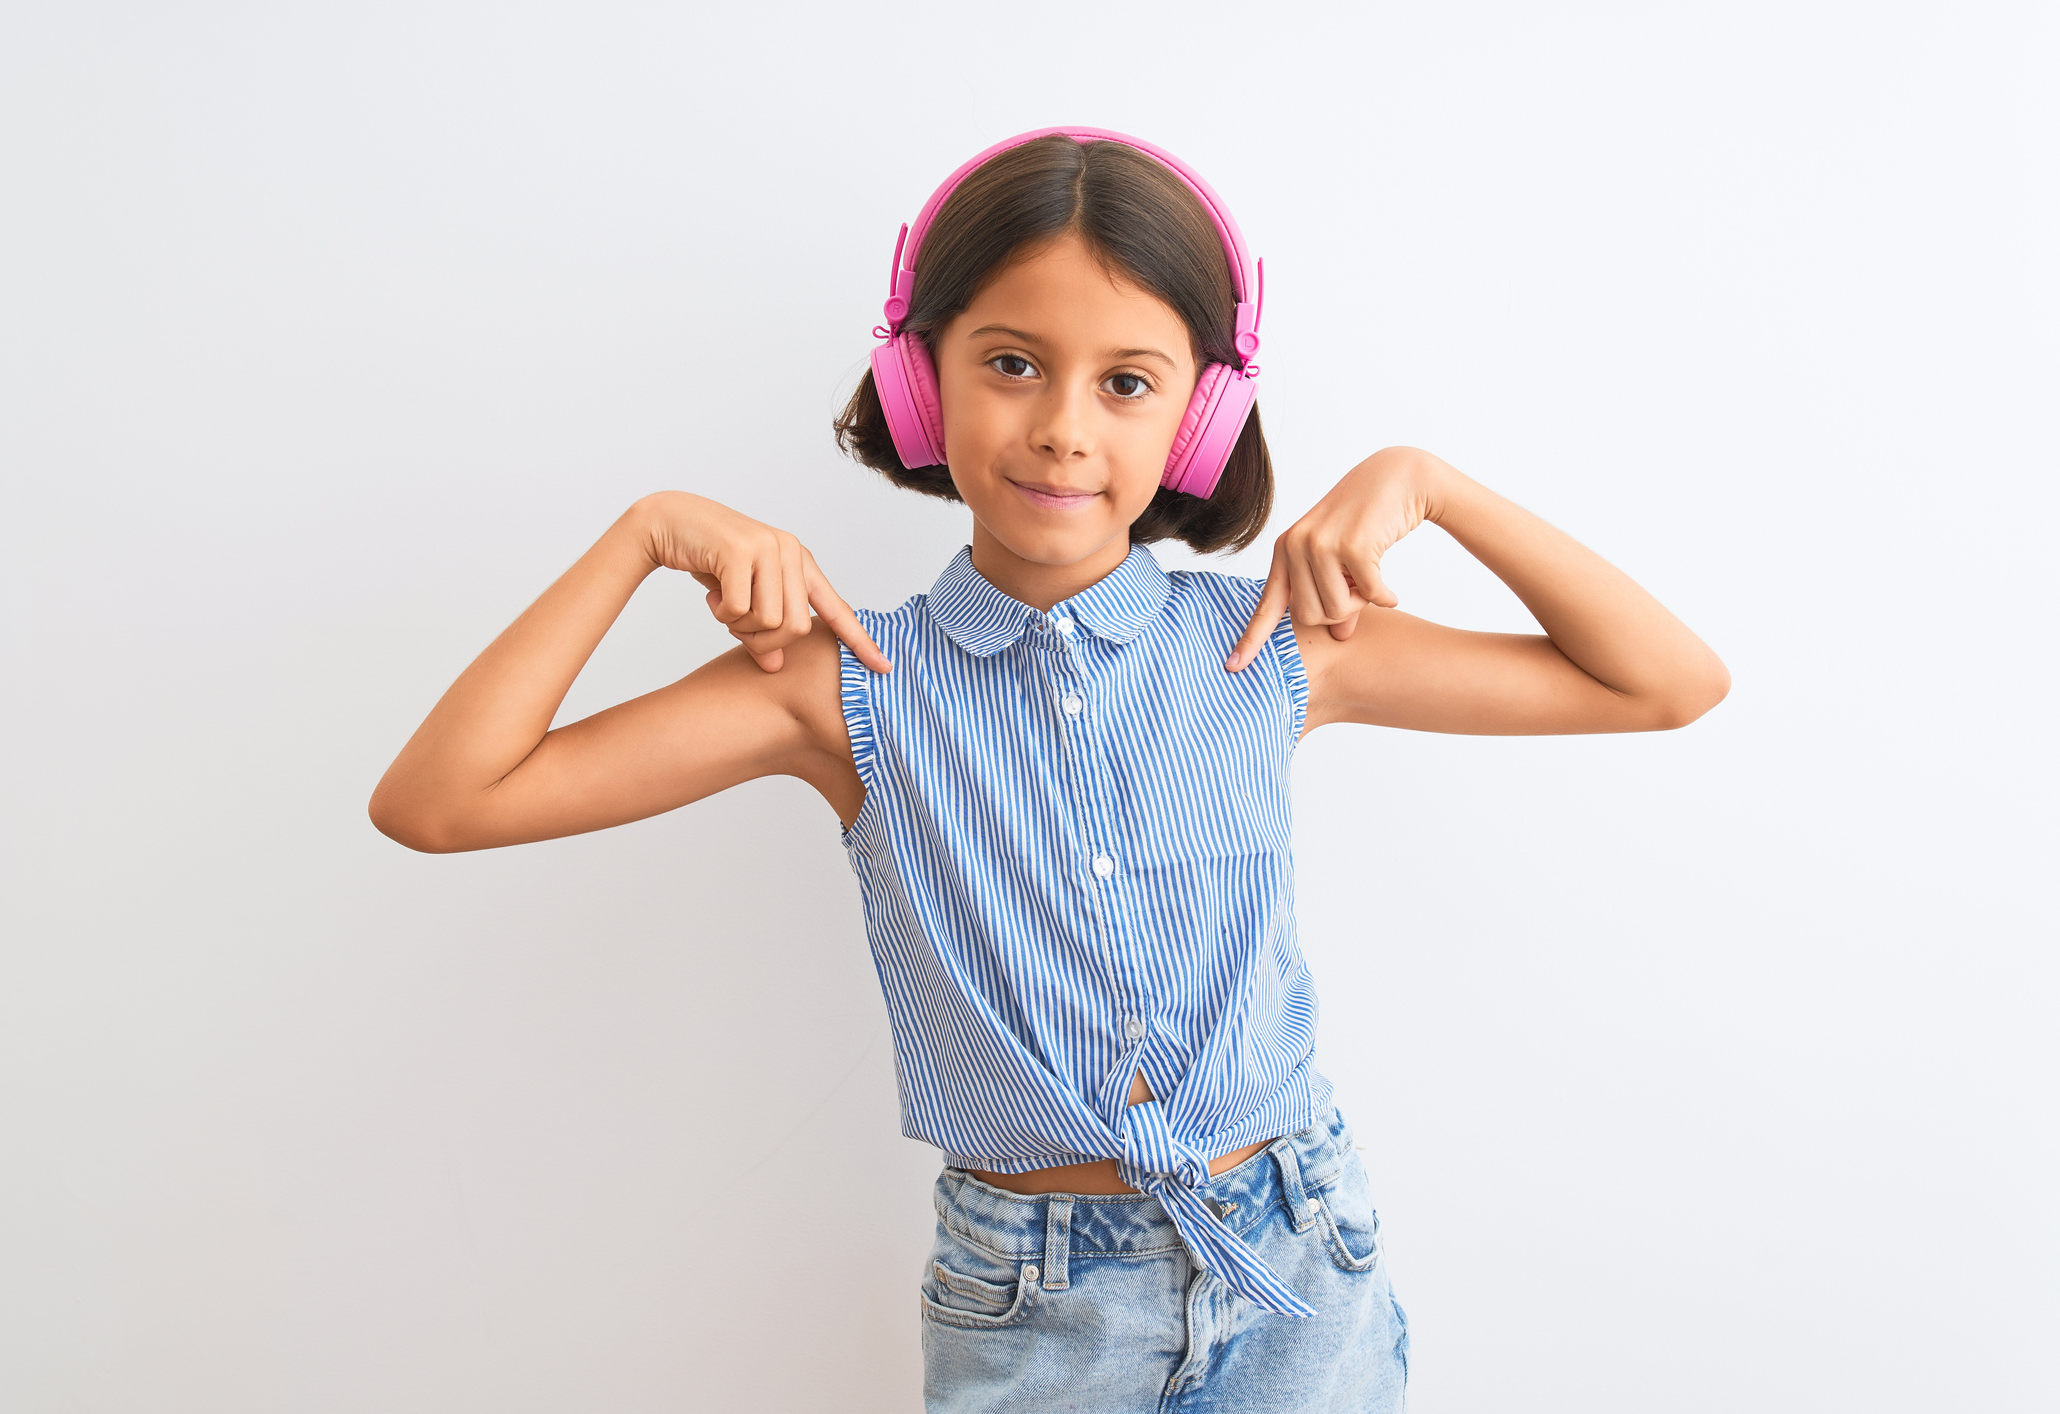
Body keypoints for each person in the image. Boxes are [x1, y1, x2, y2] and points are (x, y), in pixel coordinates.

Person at [369, 128, 1729, 1412]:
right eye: (1012, 363)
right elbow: (440, 800)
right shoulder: (843, 688)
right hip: (1033, 1294)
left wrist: (1430, 482)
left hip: (1301, 1257)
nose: (1065, 427)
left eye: (1127, 382)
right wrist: (644, 535)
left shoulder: (1277, 644)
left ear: (1200, 418)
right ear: (921, 378)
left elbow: (1663, 679)